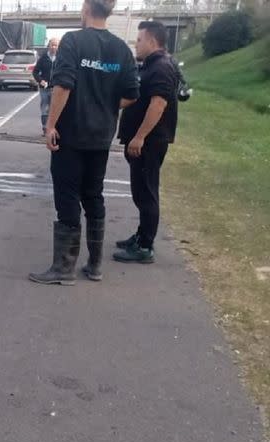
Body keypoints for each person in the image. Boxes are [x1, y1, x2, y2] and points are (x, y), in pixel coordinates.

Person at [29, 0, 139, 285]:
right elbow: (131, 94)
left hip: (72, 135)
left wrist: (51, 124)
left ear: (86, 8)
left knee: (67, 197)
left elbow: (63, 85)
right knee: (93, 195)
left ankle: (64, 269)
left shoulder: (73, 41)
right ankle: (94, 265)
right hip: (101, 137)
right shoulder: (121, 49)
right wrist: (105, 104)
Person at [114, 21, 179, 264]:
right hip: (143, 140)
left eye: (139, 40)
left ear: (152, 41)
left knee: (146, 192)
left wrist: (140, 136)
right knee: (140, 192)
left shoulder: (161, 67)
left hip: (150, 142)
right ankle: (141, 235)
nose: (136, 44)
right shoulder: (151, 65)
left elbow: (158, 105)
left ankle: (145, 246)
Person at [32, 38, 59, 135]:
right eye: (52, 45)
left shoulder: (61, 58)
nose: (54, 47)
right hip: (44, 88)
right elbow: (35, 72)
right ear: (49, 46)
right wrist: (40, 80)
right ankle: (45, 128)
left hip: (56, 88)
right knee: (45, 108)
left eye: (56, 45)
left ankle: (53, 128)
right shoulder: (43, 58)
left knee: (55, 109)